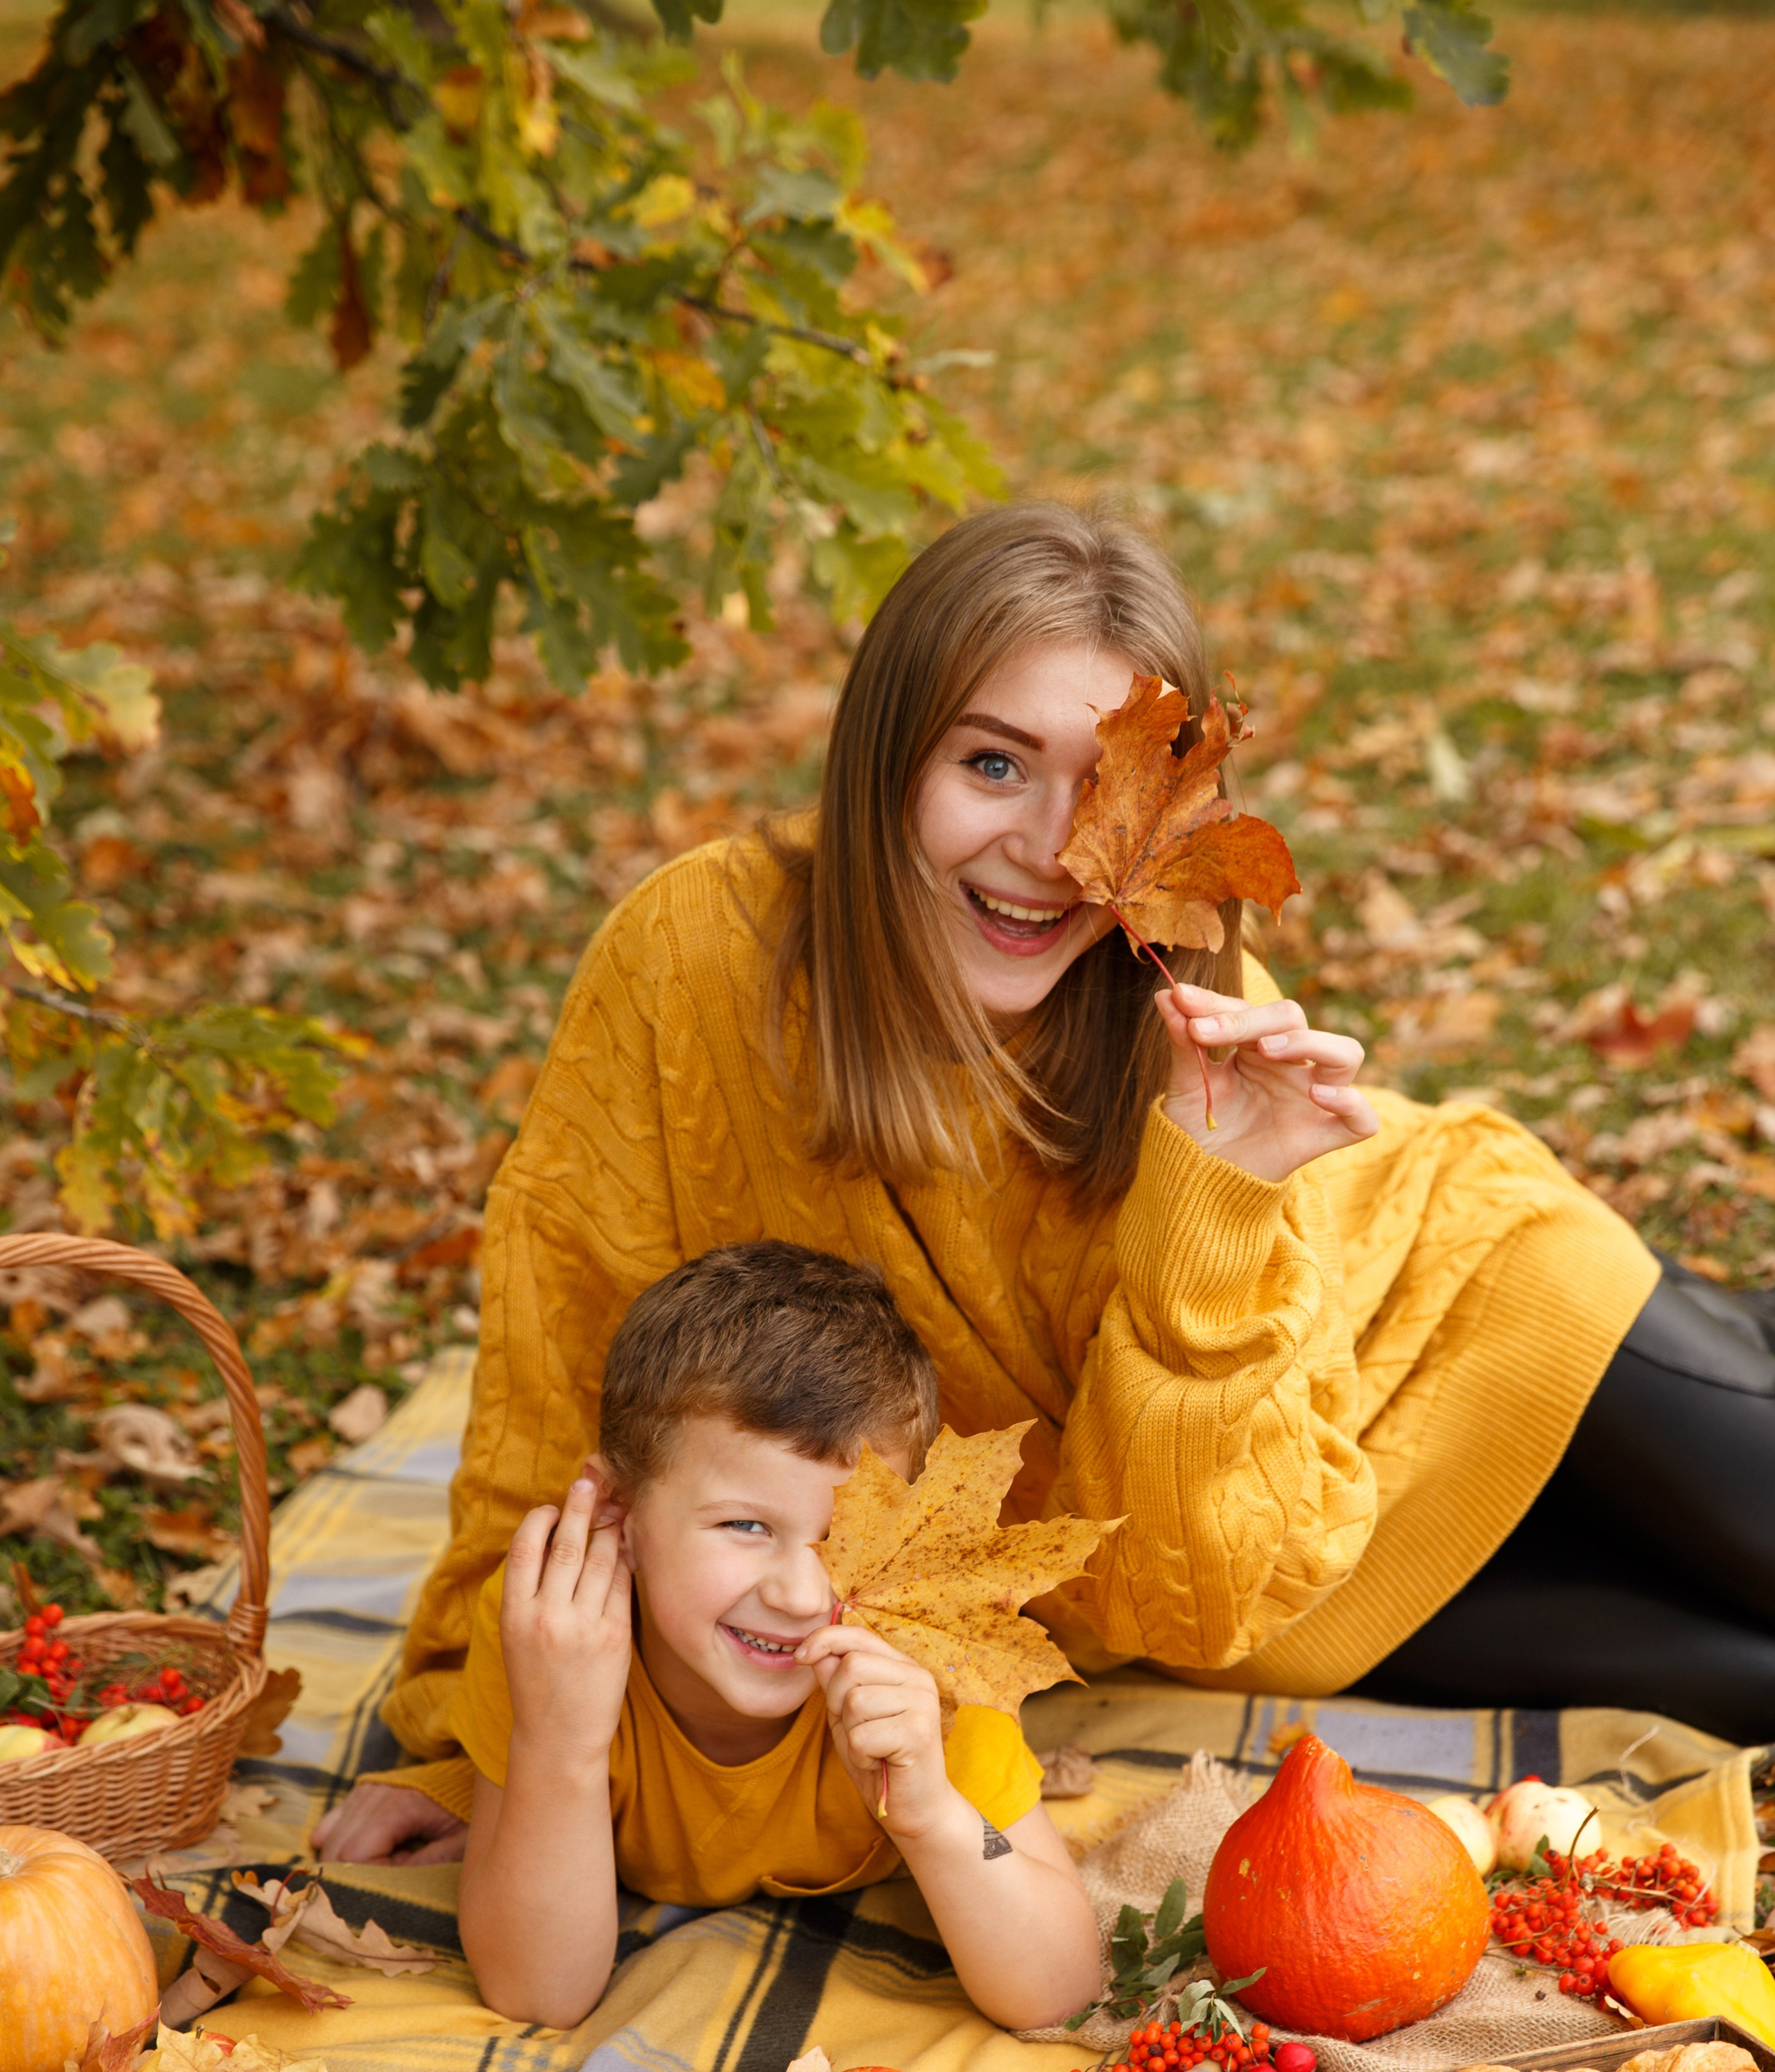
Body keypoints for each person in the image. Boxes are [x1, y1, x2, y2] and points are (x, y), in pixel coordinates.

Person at [316, 501, 1775, 1874]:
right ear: (886, 758)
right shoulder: (698, 959)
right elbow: (564, 1343)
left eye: (1107, 795)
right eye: (991, 764)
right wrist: (471, 1734)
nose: (1046, 852)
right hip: (1293, 1578)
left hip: (1476, 1312)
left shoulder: (1184, 1012)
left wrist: (1220, 1194)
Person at [449, 1239, 1102, 2030]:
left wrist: (932, 1811)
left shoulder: (921, 1651)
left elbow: (1063, 1986)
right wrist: (560, 1742)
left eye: (843, 1536)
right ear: (618, 1507)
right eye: (744, 1523)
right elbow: (536, 1994)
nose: (798, 1594)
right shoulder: (554, 1627)